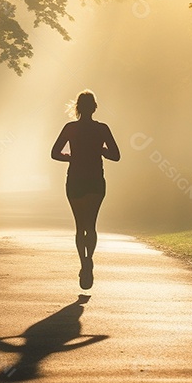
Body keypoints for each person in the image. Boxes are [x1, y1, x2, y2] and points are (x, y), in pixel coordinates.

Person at [50, 90, 120, 290]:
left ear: (77, 108)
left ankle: (84, 263)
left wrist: (72, 157)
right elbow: (116, 156)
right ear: (95, 108)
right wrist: (101, 150)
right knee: (92, 225)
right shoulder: (102, 129)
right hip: (95, 181)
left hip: (75, 180)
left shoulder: (70, 128)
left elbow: (54, 153)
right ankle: (90, 259)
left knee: (80, 226)